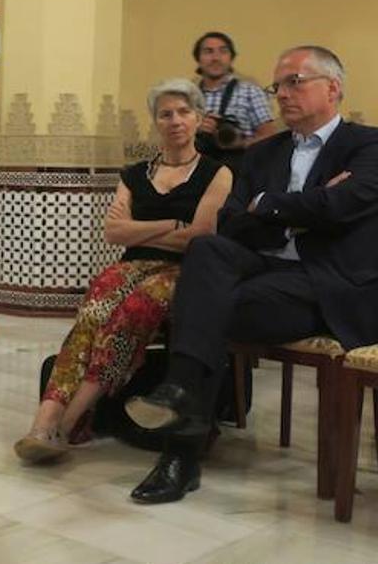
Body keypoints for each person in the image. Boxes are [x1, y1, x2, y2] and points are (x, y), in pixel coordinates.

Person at [125, 45, 378, 504]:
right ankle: (181, 389)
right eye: (276, 86)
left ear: (333, 88)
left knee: (205, 308)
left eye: (293, 82)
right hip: (264, 265)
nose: (281, 94)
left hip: (326, 283)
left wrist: (270, 205)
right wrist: (306, 208)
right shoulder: (264, 153)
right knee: (206, 250)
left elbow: (343, 205)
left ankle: (180, 452)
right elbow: (232, 221)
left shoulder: (368, 145)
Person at [14, 79, 232, 463]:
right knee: (92, 315)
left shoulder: (217, 173)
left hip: (184, 272)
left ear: (199, 118)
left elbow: (200, 237)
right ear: (155, 121)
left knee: (131, 314)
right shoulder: (134, 173)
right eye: (166, 114)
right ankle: (41, 423)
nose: (175, 120)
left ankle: (67, 423)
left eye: (184, 112)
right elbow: (114, 232)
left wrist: (144, 228)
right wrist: (170, 224)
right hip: (131, 263)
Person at [191, 31, 279, 166]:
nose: (216, 58)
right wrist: (196, 129)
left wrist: (238, 142)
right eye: (208, 51)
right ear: (198, 59)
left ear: (231, 58)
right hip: (199, 168)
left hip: (241, 169)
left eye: (223, 51)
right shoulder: (189, 97)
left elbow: (270, 136)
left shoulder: (250, 91)